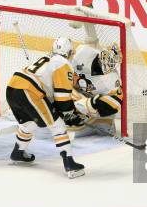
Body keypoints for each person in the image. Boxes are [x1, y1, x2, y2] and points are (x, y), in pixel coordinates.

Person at [5, 37, 86, 178]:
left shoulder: (48, 58)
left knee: (29, 123)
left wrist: (65, 111)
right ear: (68, 52)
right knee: (58, 125)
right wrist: (69, 115)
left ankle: (18, 152)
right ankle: (69, 164)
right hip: (30, 91)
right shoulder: (64, 64)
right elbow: (62, 98)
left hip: (12, 87)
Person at [71, 42, 124, 135]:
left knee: (105, 128)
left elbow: (115, 103)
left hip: (95, 108)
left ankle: (100, 121)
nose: (107, 66)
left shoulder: (112, 80)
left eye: (111, 64)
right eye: (106, 61)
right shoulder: (84, 54)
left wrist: (89, 104)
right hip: (77, 95)